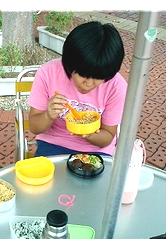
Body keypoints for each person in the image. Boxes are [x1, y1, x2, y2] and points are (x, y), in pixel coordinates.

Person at [28, 21, 128, 157]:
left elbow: (107, 137)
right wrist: (48, 115)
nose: (89, 84)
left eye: (99, 77)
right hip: (53, 143)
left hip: (96, 150)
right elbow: (34, 128)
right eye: (84, 75)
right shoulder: (48, 73)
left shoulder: (116, 87)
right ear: (70, 63)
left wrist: (87, 135)